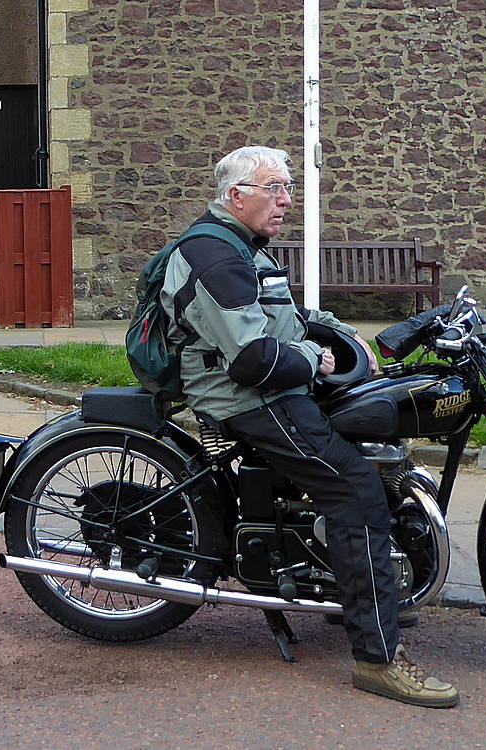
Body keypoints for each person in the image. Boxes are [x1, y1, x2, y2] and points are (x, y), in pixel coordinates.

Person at [158, 145, 459, 708]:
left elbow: (283, 314)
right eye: (275, 188)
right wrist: (312, 358)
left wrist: (340, 332)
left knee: (367, 441)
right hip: (245, 395)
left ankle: (361, 586)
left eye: (289, 188)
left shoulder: (242, 246)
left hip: (266, 385)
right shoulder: (211, 254)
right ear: (236, 195)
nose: (286, 200)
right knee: (354, 488)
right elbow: (252, 357)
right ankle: (378, 659)